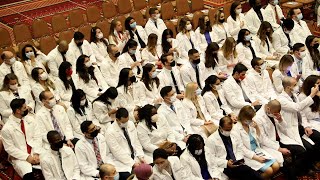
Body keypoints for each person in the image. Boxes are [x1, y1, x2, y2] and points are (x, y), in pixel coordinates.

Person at [277, 76, 320, 175]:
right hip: (287, 130)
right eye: (295, 85)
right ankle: (292, 171)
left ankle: (307, 166)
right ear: (288, 87)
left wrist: (305, 126)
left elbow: (301, 112)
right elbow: (297, 107)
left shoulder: (294, 95)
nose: (297, 86)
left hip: (298, 126)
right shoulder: (281, 99)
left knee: (312, 147)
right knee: (307, 149)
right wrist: (312, 95)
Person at [255, 100, 299, 179]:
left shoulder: (275, 110)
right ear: (268, 109)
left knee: (299, 150)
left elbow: (285, 127)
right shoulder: (258, 118)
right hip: (269, 144)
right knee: (285, 164)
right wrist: (279, 149)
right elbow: (263, 139)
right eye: (274, 114)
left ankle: (298, 173)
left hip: (281, 138)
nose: (276, 115)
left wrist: (280, 120)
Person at [233, 106, 281, 179]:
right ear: (243, 117)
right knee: (269, 171)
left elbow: (259, 141)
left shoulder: (251, 125)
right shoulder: (235, 129)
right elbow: (241, 148)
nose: (251, 120)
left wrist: (257, 128)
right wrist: (256, 158)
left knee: (276, 166)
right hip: (248, 156)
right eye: (249, 119)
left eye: (251, 118)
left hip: (258, 151)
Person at [2, 98, 42, 179]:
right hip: (20, 157)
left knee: (49, 165)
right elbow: (10, 148)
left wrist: (36, 153)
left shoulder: (30, 119)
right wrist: (27, 157)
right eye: (24, 107)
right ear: (18, 111)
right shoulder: (7, 129)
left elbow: (37, 136)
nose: (27, 108)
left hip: (35, 151)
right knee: (29, 175)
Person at [105, 108, 146, 179]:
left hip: (135, 156)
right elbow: (117, 152)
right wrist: (132, 163)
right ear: (117, 120)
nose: (126, 123)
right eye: (124, 122)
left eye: (127, 120)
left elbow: (136, 141)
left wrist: (140, 156)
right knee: (130, 176)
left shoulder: (130, 124)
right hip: (121, 161)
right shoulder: (110, 132)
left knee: (150, 167)